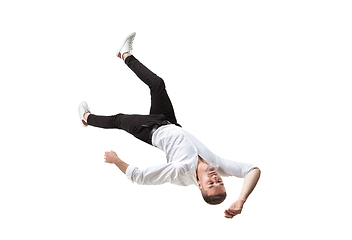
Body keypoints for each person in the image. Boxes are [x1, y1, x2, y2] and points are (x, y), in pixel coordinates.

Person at [78, 32, 261, 219]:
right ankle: (125, 54)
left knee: (118, 119)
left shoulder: (180, 171)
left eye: (211, 184)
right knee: (157, 84)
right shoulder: (217, 165)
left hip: (150, 129)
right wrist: (241, 200)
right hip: (169, 121)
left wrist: (116, 160)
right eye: (219, 181)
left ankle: (86, 117)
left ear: (199, 186)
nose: (215, 178)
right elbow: (253, 170)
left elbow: (141, 177)